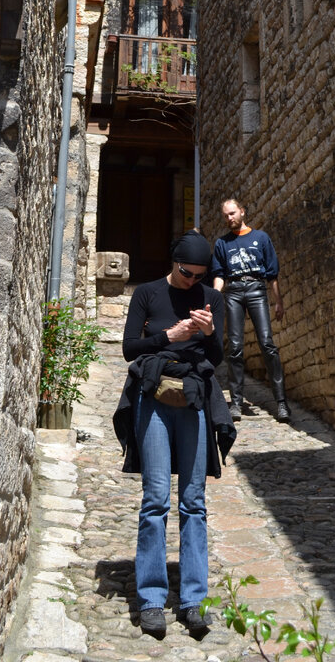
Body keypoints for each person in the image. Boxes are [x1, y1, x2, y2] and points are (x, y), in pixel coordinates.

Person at [113, 230, 235, 641]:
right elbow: (130, 349)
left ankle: (193, 600)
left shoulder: (211, 299)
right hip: (154, 398)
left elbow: (216, 358)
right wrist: (170, 336)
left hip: (195, 399)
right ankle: (151, 599)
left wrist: (208, 333)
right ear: (174, 262)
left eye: (199, 275)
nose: (192, 281)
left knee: (194, 502)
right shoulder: (147, 293)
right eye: (186, 273)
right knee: (155, 499)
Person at [211, 197, 291, 424]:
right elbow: (219, 275)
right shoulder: (222, 244)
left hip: (256, 289)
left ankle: (281, 402)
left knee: (267, 344)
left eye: (232, 213)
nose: (229, 218)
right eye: (226, 215)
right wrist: (215, 297)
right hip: (233, 292)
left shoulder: (261, 238)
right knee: (235, 347)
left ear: (242, 212)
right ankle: (236, 403)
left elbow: (272, 273)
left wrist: (278, 301)